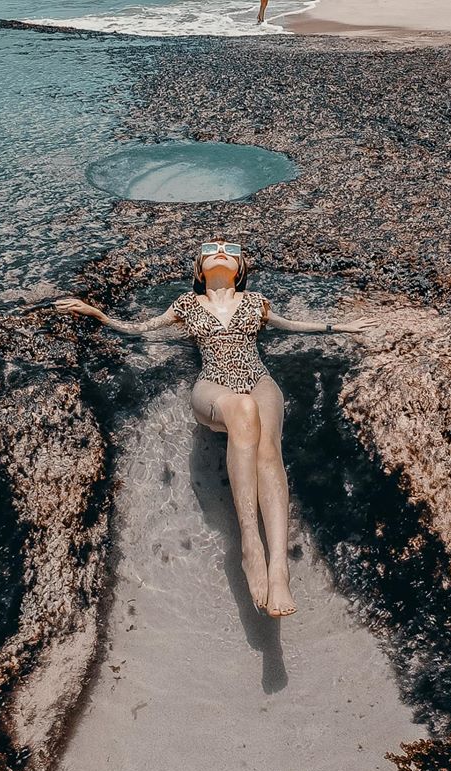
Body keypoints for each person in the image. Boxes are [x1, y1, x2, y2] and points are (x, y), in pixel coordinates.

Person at [55, 238, 377, 618]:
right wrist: (96, 313)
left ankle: (279, 567)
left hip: (259, 379)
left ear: (240, 269)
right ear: (198, 268)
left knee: (268, 447)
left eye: (231, 249)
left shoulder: (256, 302)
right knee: (243, 409)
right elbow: (140, 329)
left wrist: (343, 326)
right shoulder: (186, 305)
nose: (222, 251)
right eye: (211, 249)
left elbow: (292, 326)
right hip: (213, 384)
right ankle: (250, 543)